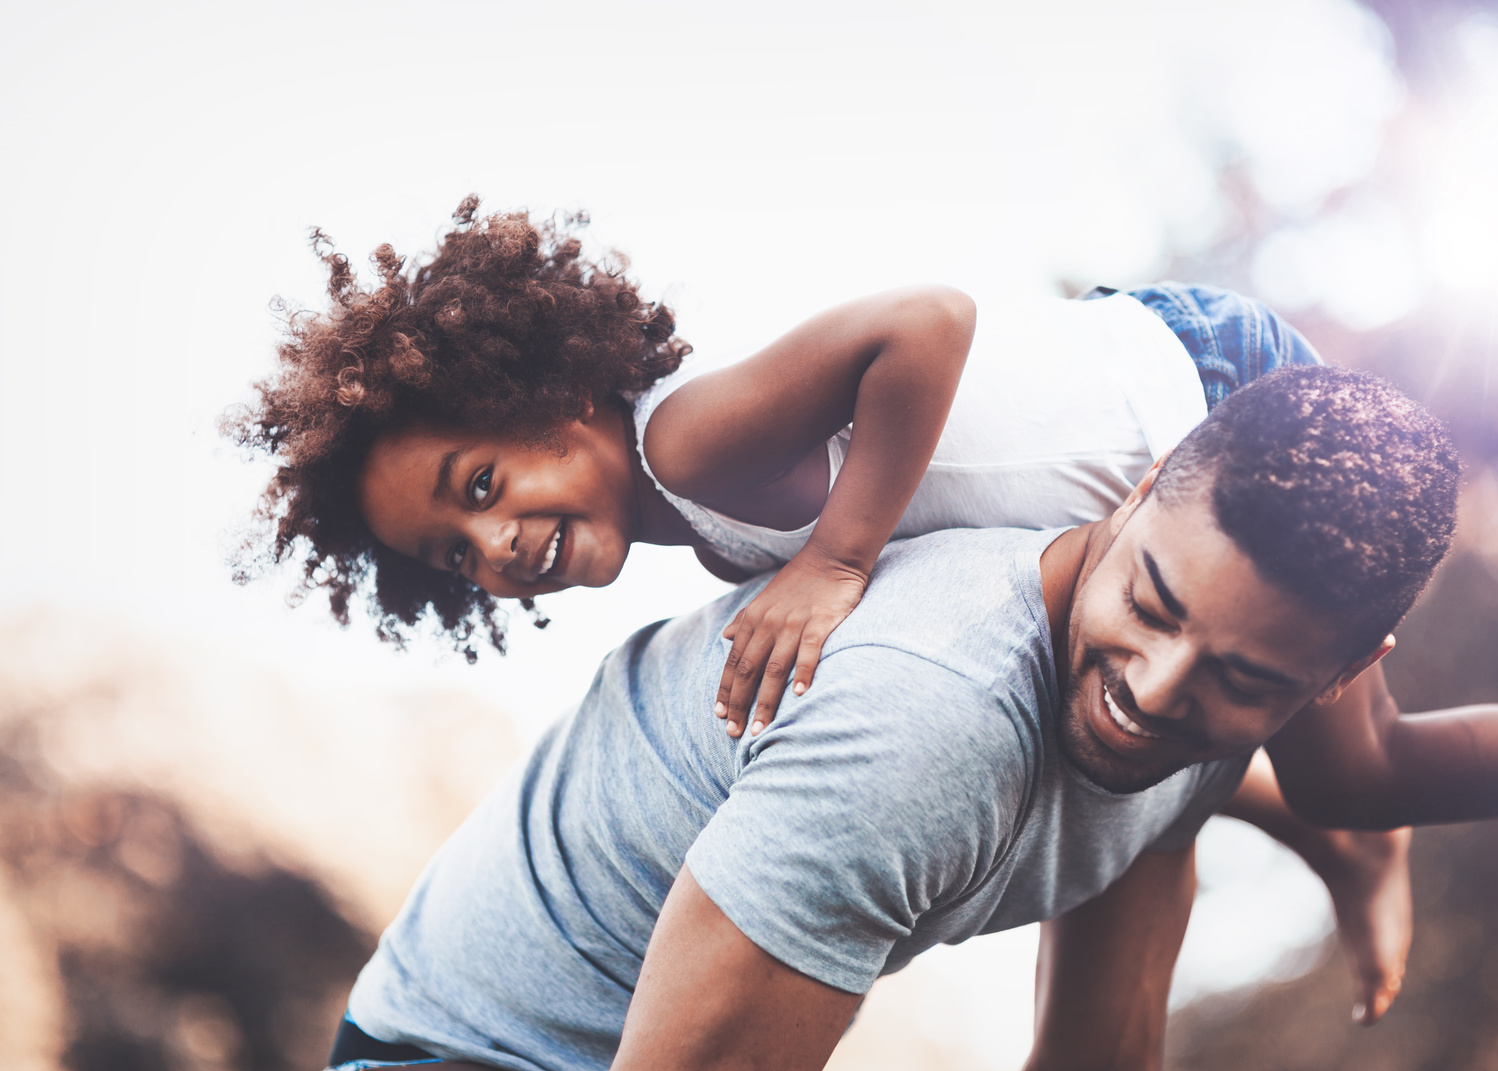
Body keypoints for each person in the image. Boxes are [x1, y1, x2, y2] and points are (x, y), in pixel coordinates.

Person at [310, 367, 1498, 1071]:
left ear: (1336, 679)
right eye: (1151, 602)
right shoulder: (928, 722)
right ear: (1139, 494)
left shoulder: (1187, 722)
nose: (1150, 689)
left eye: (1244, 678)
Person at [229, 198, 1411, 1022]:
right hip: (1126, 460)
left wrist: (839, 561)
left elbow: (925, 323)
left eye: (479, 487)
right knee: (1135, 742)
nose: (492, 544)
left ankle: (1360, 827)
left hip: (1199, 393)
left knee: (1341, 758)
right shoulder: (706, 540)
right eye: (452, 554)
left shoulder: (686, 441)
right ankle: (1334, 836)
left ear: (549, 393)